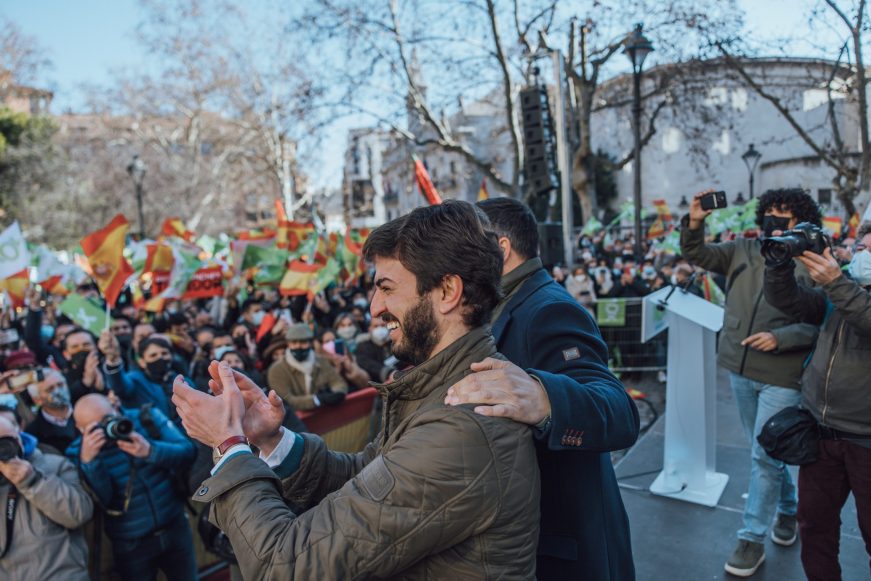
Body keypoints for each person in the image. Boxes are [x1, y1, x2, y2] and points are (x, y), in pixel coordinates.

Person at [171, 200, 541, 579]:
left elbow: (289, 566)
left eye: (386, 288)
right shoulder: (442, 392)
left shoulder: (460, 431)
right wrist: (271, 438)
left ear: (447, 291)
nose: (374, 308)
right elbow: (369, 477)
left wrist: (229, 446)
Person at [446, 197, 639, 580]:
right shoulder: (507, 302)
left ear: (500, 249)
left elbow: (618, 409)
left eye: (466, 249)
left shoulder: (546, 308)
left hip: (565, 547)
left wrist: (544, 399)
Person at [681, 188, 823, 577]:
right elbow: (698, 254)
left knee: (763, 455)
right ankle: (789, 510)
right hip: (739, 369)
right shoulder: (743, 251)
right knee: (767, 452)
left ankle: (750, 539)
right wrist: (695, 220)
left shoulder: (814, 264)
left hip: (783, 376)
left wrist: (782, 338)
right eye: (771, 214)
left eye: (785, 216)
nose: (775, 221)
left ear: (802, 224)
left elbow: (823, 323)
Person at [763, 221, 871, 581]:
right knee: (814, 528)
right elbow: (790, 302)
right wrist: (779, 266)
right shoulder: (844, 289)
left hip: (866, 441)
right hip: (821, 434)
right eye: (862, 247)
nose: (865, 254)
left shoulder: (843, 288)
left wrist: (837, 283)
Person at [67, 393, 196, 580]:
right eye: (96, 427)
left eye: (108, 419)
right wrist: (90, 463)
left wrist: (151, 451)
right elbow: (104, 500)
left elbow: (188, 452)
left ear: (115, 407)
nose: (107, 428)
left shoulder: (146, 417)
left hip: (175, 525)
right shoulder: (78, 452)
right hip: (131, 542)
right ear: (80, 429)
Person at [0, 415, 93, 580]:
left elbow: (79, 514)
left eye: (7, 440)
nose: (4, 450)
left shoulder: (54, 465)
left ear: (19, 435)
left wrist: (33, 481)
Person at [266, 323, 347, 410]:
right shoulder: (276, 370)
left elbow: (338, 382)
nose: (298, 346)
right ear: (288, 344)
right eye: (294, 342)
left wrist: (338, 393)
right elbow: (287, 399)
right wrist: (316, 400)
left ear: (310, 343)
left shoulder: (320, 360)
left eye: (303, 342)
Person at [24, 368, 77, 454]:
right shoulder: (34, 435)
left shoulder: (88, 407)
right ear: (37, 400)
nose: (58, 392)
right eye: (50, 389)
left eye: (60, 385)